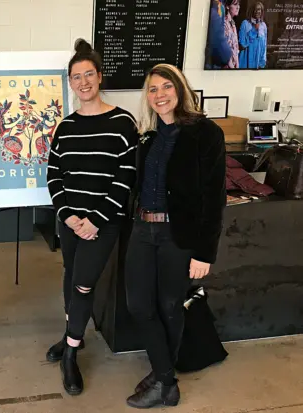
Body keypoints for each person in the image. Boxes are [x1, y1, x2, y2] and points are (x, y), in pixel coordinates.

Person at [124, 64, 226, 408]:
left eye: (167, 87)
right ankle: (165, 377)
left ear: (181, 89)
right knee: (139, 305)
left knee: (169, 307)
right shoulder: (148, 135)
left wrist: (204, 253)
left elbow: (214, 198)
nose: (160, 95)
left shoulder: (205, 133)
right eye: (153, 90)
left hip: (176, 235)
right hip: (141, 228)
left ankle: (162, 381)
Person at [46, 39, 138, 396]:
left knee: (84, 284)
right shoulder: (65, 127)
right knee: (71, 280)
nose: (83, 82)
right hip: (70, 223)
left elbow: (124, 177)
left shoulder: (122, 122)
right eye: (76, 77)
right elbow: (54, 175)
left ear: (100, 77)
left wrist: (95, 220)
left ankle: (70, 355)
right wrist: (68, 216)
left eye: (89, 74)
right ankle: (75, 336)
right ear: (70, 82)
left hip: (103, 224)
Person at [239, 1, 267, 69]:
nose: (257, 11)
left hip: (258, 63)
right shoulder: (245, 23)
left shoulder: (263, 25)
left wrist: (262, 62)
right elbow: (242, 44)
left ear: (262, 11)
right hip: (246, 62)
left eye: (259, 9)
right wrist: (254, 29)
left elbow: (264, 45)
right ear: (252, 10)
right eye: (255, 9)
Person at [205, 0, 232, 69]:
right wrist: (227, 54)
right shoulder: (217, 7)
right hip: (211, 63)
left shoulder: (220, 6)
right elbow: (218, 43)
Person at [224, 0, 241, 68]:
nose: (238, 7)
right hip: (227, 66)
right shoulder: (224, 23)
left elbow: (236, 46)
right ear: (227, 6)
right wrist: (231, 66)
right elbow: (224, 47)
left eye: (238, 5)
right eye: (235, 4)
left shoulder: (233, 23)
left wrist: (237, 64)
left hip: (233, 65)